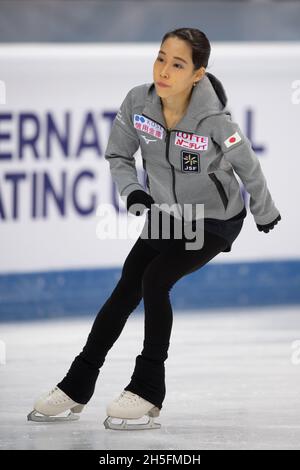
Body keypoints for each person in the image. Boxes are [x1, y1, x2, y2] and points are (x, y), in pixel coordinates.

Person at [27, 28, 281, 430]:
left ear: (197, 73)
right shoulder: (138, 103)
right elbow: (118, 154)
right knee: (127, 284)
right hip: (166, 212)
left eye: (177, 64)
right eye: (161, 57)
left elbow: (248, 166)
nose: (164, 70)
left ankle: (147, 390)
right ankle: (78, 383)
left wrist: (265, 212)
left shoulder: (215, 120)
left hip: (214, 219)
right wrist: (132, 192)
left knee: (156, 279)